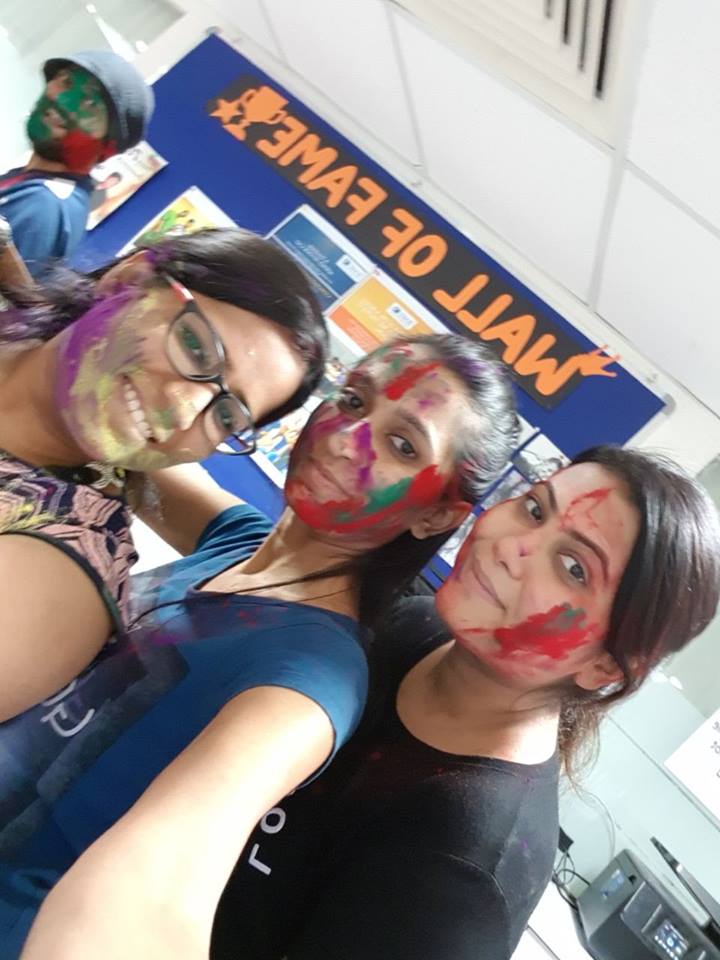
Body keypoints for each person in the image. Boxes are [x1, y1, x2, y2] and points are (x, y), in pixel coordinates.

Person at [0, 334, 519, 959]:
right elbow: (123, 431)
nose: (347, 439)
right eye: (354, 401)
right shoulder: (236, 541)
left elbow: (163, 888)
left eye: (402, 445)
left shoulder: (311, 679)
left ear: (435, 517)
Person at [208, 446, 720, 960]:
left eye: (573, 567)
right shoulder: (417, 624)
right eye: (535, 508)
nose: (510, 546)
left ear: (604, 668)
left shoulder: (465, 868)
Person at [0, 227, 327, 719]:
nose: (185, 410)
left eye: (226, 414)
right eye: (197, 348)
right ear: (128, 280)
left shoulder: (61, 572)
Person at [0, 50, 153, 277]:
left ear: (108, 148)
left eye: (90, 105)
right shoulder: (34, 181)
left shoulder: (45, 203)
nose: (62, 102)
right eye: (66, 82)